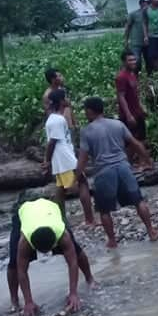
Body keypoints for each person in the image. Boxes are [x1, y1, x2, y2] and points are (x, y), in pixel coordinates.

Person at [77, 97, 158, 248]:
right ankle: (151, 231)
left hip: (103, 171)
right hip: (123, 167)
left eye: (85, 110)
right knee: (138, 201)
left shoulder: (87, 131)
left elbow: (83, 158)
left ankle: (112, 240)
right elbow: (135, 144)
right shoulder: (117, 124)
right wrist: (148, 160)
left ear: (89, 111)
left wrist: (76, 176)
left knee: (104, 210)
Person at [6, 196, 96, 316]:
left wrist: (73, 293)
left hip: (50, 210)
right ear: (33, 246)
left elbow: (73, 262)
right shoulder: (24, 241)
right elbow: (21, 271)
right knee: (13, 262)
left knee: (76, 250)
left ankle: (90, 279)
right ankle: (14, 301)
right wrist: (28, 302)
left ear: (55, 243)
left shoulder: (62, 233)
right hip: (24, 212)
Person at [43, 89, 95, 226]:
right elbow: (52, 143)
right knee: (82, 182)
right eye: (66, 97)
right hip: (65, 158)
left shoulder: (54, 119)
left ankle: (60, 220)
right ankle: (90, 219)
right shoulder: (57, 120)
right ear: (61, 101)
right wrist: (47, 161)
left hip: (61, 158)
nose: (68, 100)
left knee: (60, 189)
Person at [115, 49, 148, 167]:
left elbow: (135, 94)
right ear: (124, 62)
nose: (133, 62)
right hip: (129, 115)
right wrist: (128, 115)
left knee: (142, 139)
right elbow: (121, 97)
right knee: (131, 142)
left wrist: (142, 107)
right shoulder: (121, 77)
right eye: (130, 60)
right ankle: (127, 164)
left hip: (137, 112)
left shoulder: (133, 75)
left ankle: (141, 162)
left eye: (134, 59)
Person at [123, 0, 149, 70]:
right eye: (145, 2)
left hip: (147, 42)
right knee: (136, 61)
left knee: (149, 60)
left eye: (148, 2)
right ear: (141, 3)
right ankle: (135, 77)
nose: (146, 4)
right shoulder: (134, 14)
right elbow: (128, 27)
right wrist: (126, 40)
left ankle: (149, 77)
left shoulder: (150, 14)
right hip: (136, 43)